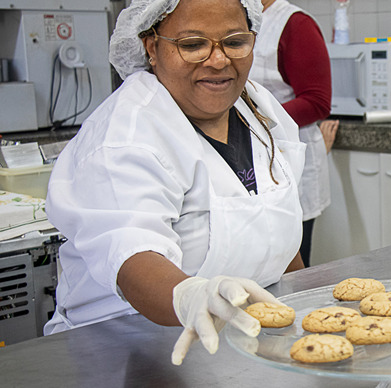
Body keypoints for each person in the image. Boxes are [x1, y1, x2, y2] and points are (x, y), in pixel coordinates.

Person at [43, 0, 307, 366]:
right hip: (126, 348)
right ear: (152, 47)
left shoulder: (262, 111)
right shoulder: (128, 134)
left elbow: (272, 214)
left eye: (234, 42)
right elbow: (133, 254)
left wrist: (304, 307)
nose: (218, 60)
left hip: (238, 346)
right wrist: (190, 296)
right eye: (193, 44)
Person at [249, 0, 332, 267]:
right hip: (246, 156)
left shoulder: (294, 24)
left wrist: (249, 119)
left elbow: (317, 100)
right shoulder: (230, 15)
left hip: (286, 156)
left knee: (288, 266)